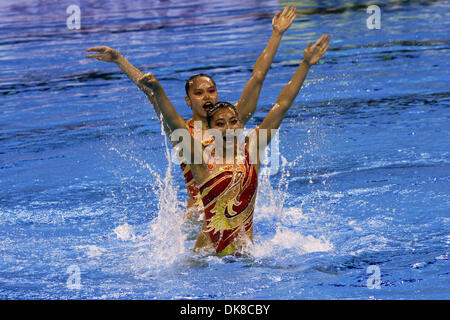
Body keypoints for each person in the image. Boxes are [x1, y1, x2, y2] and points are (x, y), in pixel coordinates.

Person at [86, 6, 298, 222]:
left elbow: (257, 77)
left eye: (211, 91)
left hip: (233, 216)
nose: (207, 97)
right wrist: (120, 60)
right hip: (198, 220)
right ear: (188, 101)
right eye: (198, 93)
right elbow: (151, 91)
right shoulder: (181, 130)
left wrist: (277, 34)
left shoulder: (234, 119)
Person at [138, 34, 330, 256]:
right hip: (205, 258)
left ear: (241, 124)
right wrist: (158, 89)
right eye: (220, 124)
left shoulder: (252, 150)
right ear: (210, 130)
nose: (228, 129)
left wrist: (305, 65)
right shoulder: (200, 160)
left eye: (233, 122)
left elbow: (282, 105)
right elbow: (171, 120)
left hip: (246, 253)